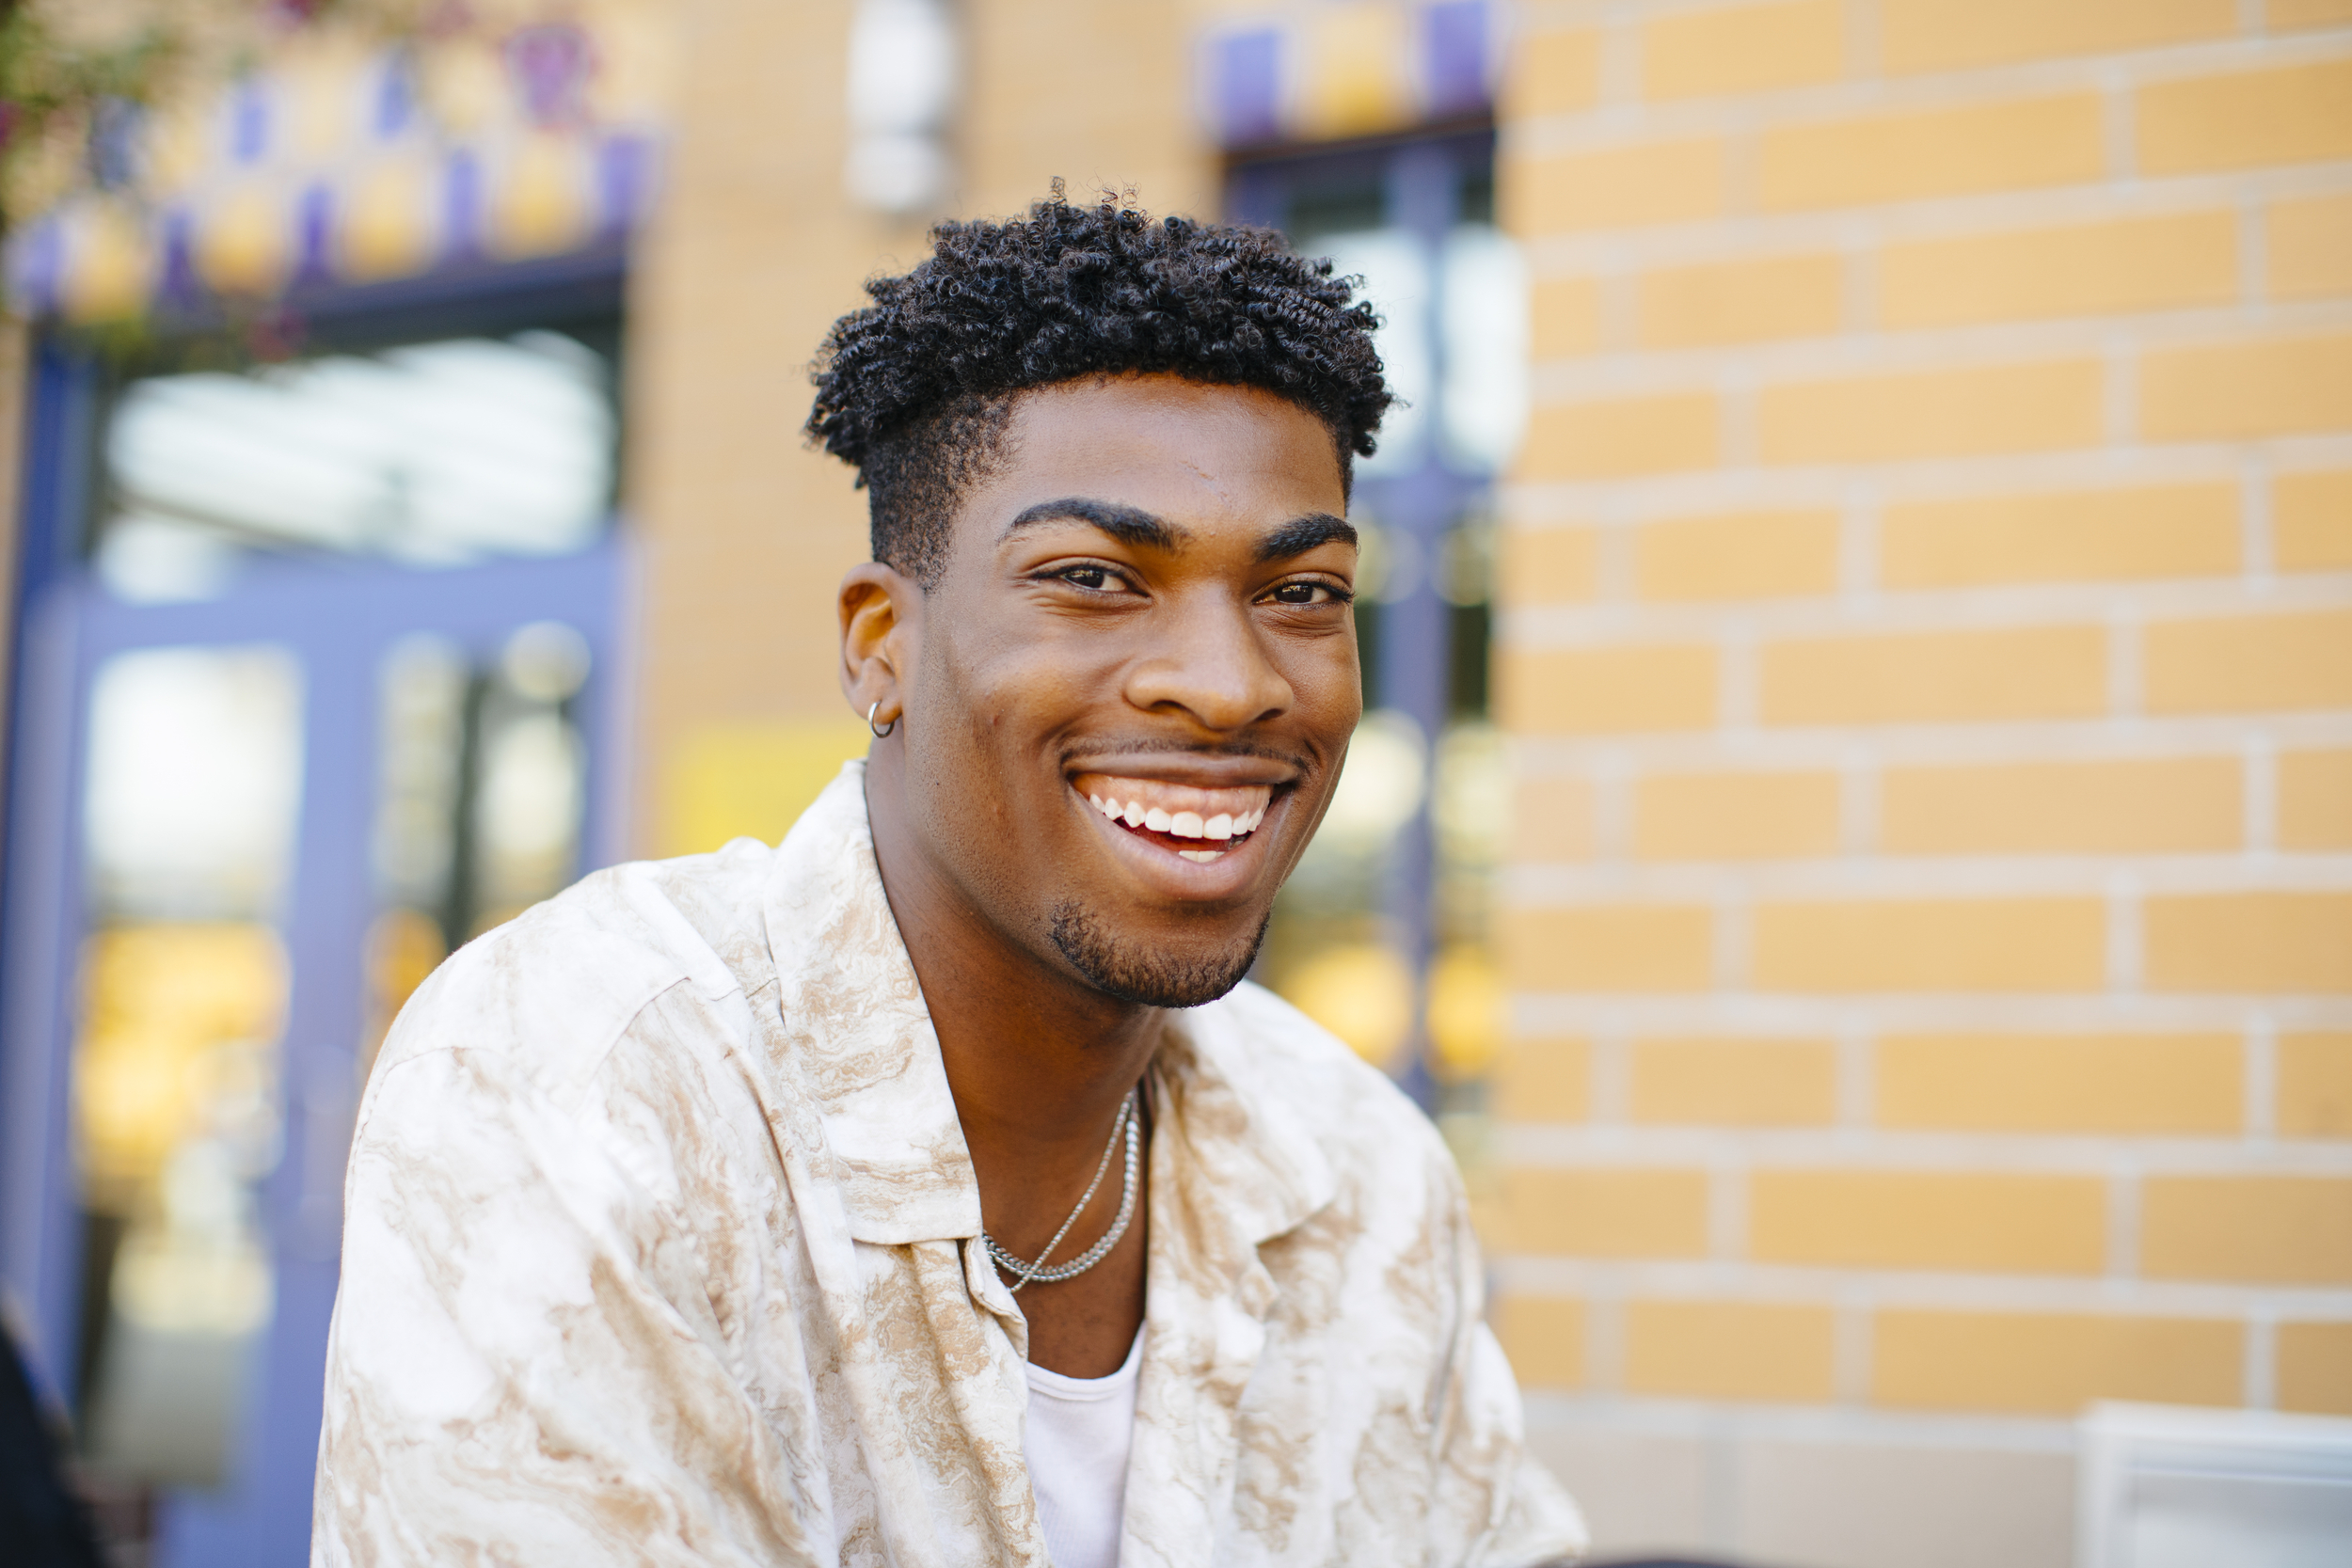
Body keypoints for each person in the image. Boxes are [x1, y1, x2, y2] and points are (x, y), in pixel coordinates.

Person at [312, 193, 1586, 1568]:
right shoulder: (593, 1079)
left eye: (1302, 595)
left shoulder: (1358, 1172)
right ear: (881, 646)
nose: (1229, 686)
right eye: (1095, 577)